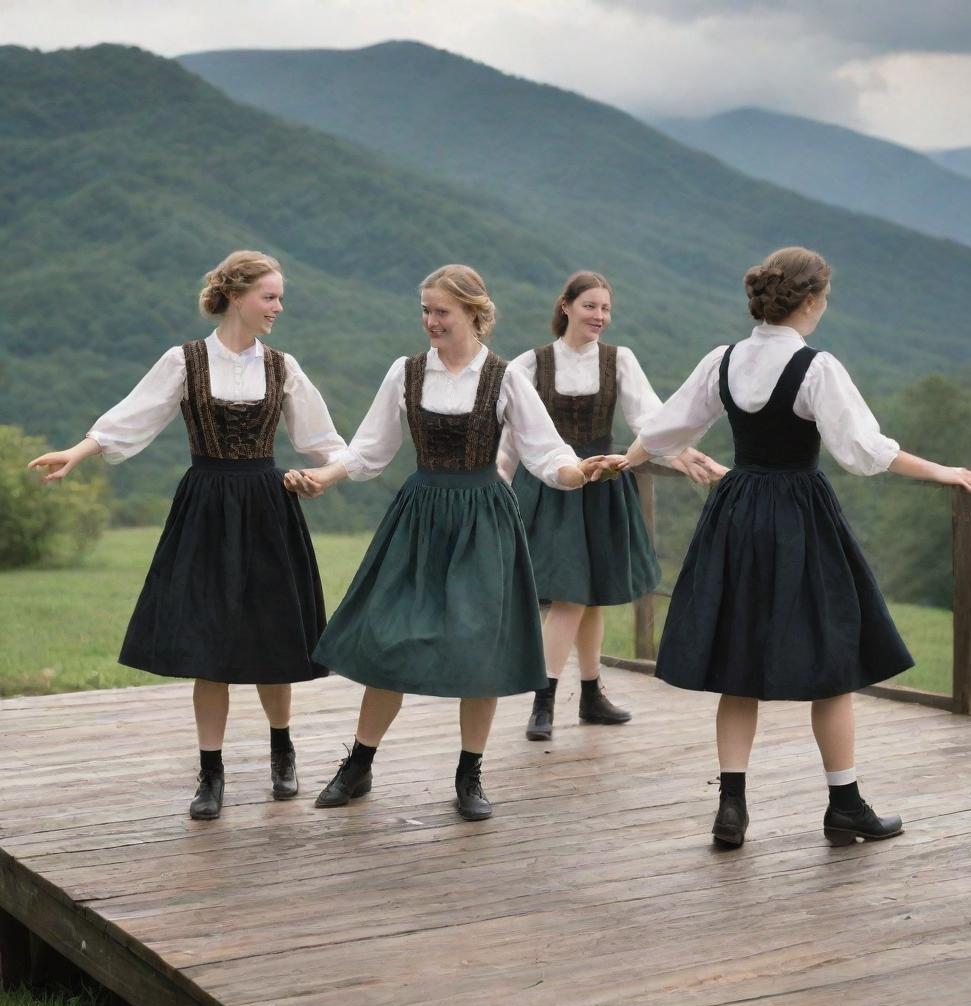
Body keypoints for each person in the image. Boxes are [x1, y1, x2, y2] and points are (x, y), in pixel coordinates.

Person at [625, 246, 971, 847]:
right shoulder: (817, 368)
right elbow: (865, 450)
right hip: (798, 517)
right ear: (812, 301)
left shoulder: (725, 359)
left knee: (738, 666)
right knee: (833, 660)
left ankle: (731, 811)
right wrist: (941, 469)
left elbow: (664, 429)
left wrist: (623, 462)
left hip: (737, 513)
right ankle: (844, 807)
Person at [28, 250, 350, 821]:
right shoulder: (184, 360)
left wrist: (320, 477)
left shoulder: (282, 366)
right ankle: (211, 771)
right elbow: (133, 417)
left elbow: (327, 444)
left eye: (279, 297)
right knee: (210, 642)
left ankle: (282, 750)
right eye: (270, 296)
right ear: (236, 295)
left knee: (276, 639)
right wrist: (76, 454)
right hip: (205, 508)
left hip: (269, 510)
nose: (279, 307)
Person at [284, 264, 611, 820]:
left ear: (474, 314)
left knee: (479, 648)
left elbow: (546, 453)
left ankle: (468, 775)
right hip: (419, 519)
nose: (430, 322)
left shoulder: (505, 377)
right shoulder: (407, 372)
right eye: (426, 311)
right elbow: (368, 451)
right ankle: (359, 764)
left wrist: (579, 472)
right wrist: (322, 478)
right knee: (390, 641)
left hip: (484, 521)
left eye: (441, 312)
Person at [499, 270, 724, 741]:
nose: (599, 316)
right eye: (590, 306)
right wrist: (497, 485)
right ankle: (543, 699)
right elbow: (511, 435)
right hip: (550, 487)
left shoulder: (618, 360)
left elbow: (652, 420)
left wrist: (683, 457)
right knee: (571, 595)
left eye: (605, 309)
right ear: (566, 306)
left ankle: (589, 694)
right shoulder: (529, 364)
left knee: (590, 593)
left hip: (603, 483)